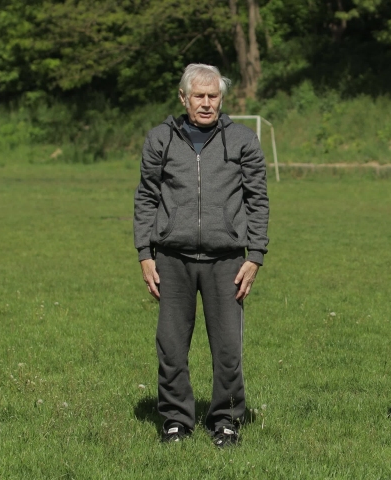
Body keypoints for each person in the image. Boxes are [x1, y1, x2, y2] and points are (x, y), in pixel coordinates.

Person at [133, 63, 269, 447]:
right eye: (199, 96)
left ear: (221, 99)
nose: (207, 104)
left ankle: (225, 420)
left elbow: (257, 200)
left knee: (228, 348)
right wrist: (145, 252)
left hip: (227, 260)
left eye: (213, 97)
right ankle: (176, 420)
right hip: (171, 259)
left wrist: (255, 255)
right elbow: (146, 196)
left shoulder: (242, 139)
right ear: (183, 98)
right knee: (171, 346)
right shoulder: (160, 138)